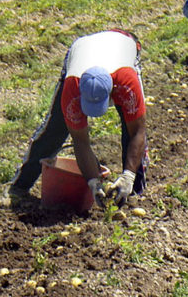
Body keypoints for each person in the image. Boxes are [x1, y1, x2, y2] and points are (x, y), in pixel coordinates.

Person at [8, 29, 148, 209]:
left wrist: (128, 175)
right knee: (56, 127)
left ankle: (133, 191)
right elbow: (80, 141)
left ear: (112, 91)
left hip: (124, 45)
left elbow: (138, 131)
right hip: (82, 50)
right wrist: (93, 182)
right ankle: (19, 186)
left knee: (132, 129)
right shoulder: (72, 86)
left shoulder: (127, 83)